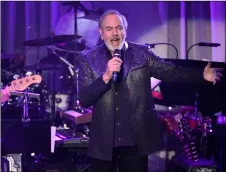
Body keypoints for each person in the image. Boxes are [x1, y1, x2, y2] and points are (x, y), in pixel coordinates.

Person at [77, 9, 223, 172]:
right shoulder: (88, 58)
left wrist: (201, 75)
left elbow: (171, 71)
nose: (115, 34)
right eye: (109, 29)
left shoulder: (142, 53)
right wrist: (106, 76)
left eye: (119, 28)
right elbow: (84, 98)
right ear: (101, 33)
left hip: (135, 141)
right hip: (103, 144)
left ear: (126, 30)